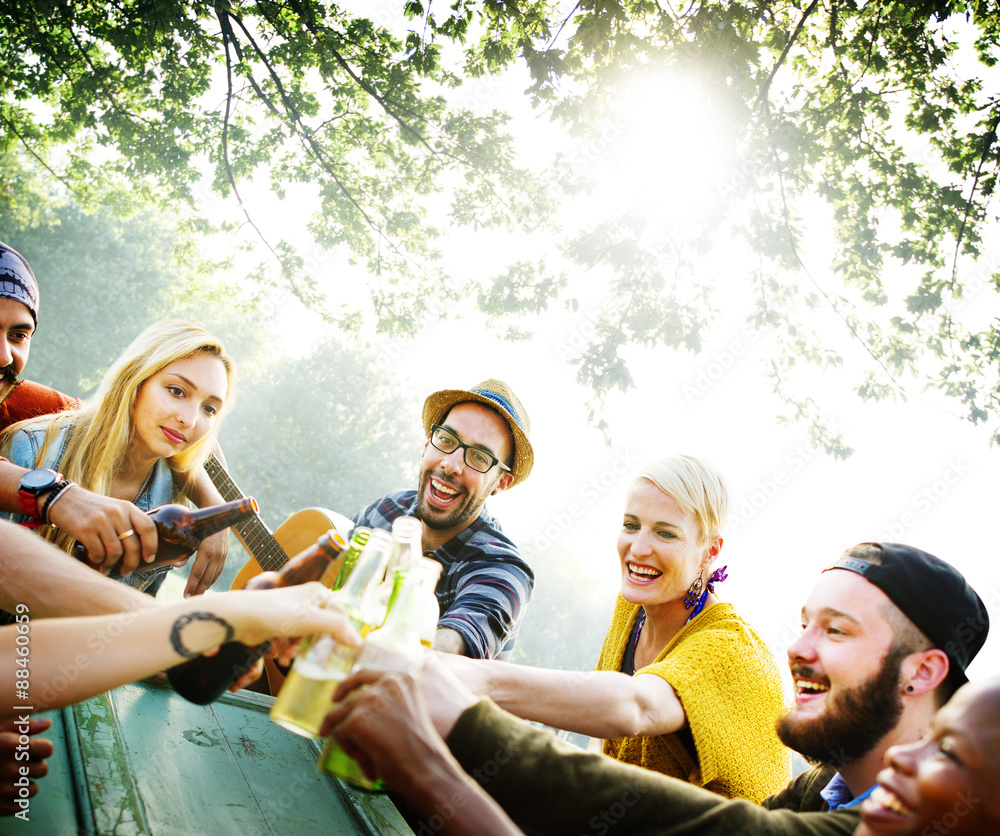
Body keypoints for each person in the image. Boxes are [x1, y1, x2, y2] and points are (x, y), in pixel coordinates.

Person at [322, 541, 989, 836]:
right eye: (806, 622)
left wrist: (458, 716)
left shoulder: (920, 814)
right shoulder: (828, 785)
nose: (800, 647)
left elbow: (637, 711)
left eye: (836, 631)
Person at [438, 454, 789, 801]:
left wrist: (471, 676)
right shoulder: (634, 607)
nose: (638, 548)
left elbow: (635, 707)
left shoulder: (730, 649)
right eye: (632, 525)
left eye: (665, 533)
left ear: (710, 551)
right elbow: (604, 743)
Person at [0, 241, 228, 595]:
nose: (189, 418)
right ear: (135, 381)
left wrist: (216, 509)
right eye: (177, 390)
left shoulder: (171, 501)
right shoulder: (33, 444)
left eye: (210, 408)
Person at [350, 379, 534, 660]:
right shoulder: (387, 509)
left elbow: (458, 641)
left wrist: (376, 651)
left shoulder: (504, 568)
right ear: (427, 444)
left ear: (501, 482)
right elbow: (328, 568)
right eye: (446, 440)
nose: (451, 464)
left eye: (479, 457)